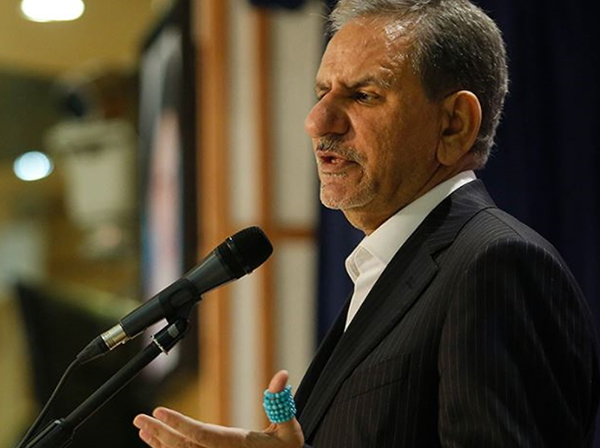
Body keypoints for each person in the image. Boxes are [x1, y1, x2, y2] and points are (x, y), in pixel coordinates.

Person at [133, 0, 600, 446]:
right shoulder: (391, 267)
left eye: (363, 95)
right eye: (322, 93)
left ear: (454, 124)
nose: (318, 121)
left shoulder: (495, 266)